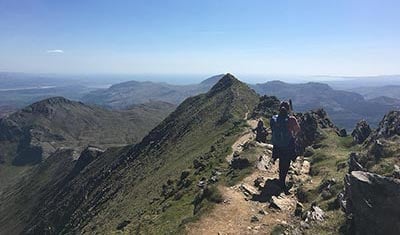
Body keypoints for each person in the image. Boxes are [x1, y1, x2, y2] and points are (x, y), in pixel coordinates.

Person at [270, 101, 300, 194]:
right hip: (287, 145)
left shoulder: (273, 118)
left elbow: (272, 129)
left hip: (277, 145)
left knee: (280, 161)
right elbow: (297, 130)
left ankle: (280, 178)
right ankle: (282, 182)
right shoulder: (291, 119)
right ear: (288, 109)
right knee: (285, 164)